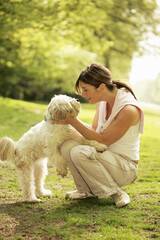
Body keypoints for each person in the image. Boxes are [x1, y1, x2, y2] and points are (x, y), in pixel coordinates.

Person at [54, 63, 144, 208]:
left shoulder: (128, 109)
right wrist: (68, 125)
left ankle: (116, 192)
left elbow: (103, 140)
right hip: (105, 157)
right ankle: (85, 191)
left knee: (80, 152)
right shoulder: (103, 101)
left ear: (101, 88)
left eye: (85, 90)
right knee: (66, 146)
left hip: (124, 167)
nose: (83, 94)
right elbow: (94, 133)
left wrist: (73, 121)